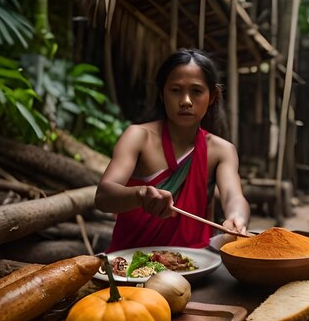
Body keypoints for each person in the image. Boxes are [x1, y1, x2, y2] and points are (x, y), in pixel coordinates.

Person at [96, 48, 250, 252]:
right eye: (176, 90)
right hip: (129, 265)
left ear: (211, 97)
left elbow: (233, 195)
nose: (186, 101)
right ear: (162, 94)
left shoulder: (222, 150)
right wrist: (140, 195)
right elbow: (104, 196)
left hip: (195, 264)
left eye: (196, 91)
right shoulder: (138, 137)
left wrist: (237, 217)